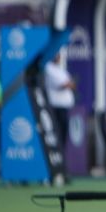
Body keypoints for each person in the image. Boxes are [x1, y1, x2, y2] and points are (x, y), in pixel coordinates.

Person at [44, 50, 76, 185]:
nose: (58, 56)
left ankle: (61, 170)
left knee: (62, 140)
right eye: (56, 54)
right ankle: (54, 171)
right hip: (56, 110)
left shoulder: (59, 69)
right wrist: (68, 84)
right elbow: (65, 84)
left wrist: (69, 84)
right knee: (57, 140)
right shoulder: (48, 68)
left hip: (64, 109)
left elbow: (71, 83)